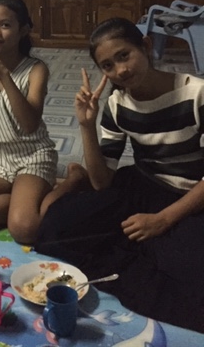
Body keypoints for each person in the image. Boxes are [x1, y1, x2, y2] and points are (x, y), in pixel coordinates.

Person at [36, 17, 204, 333]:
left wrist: (163, 220)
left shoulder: (197, 95)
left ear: (146, 46)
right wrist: (86, 125)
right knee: (54, 230)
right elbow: (102, 182)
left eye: (124, 55)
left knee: (194, 291)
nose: (121, 70)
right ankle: (146, 253)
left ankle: (145, 251)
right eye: (108, 66)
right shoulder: (117, 104)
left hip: (191, 197)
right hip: (142, 184)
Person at [0, 0, 78, 245]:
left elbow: (29, 124)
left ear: (23, 30)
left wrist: (1, 72)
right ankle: (24, 200)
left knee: (24, 230)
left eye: (5, 25)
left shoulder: (36, 69)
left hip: (34, 155)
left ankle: (73, 180)